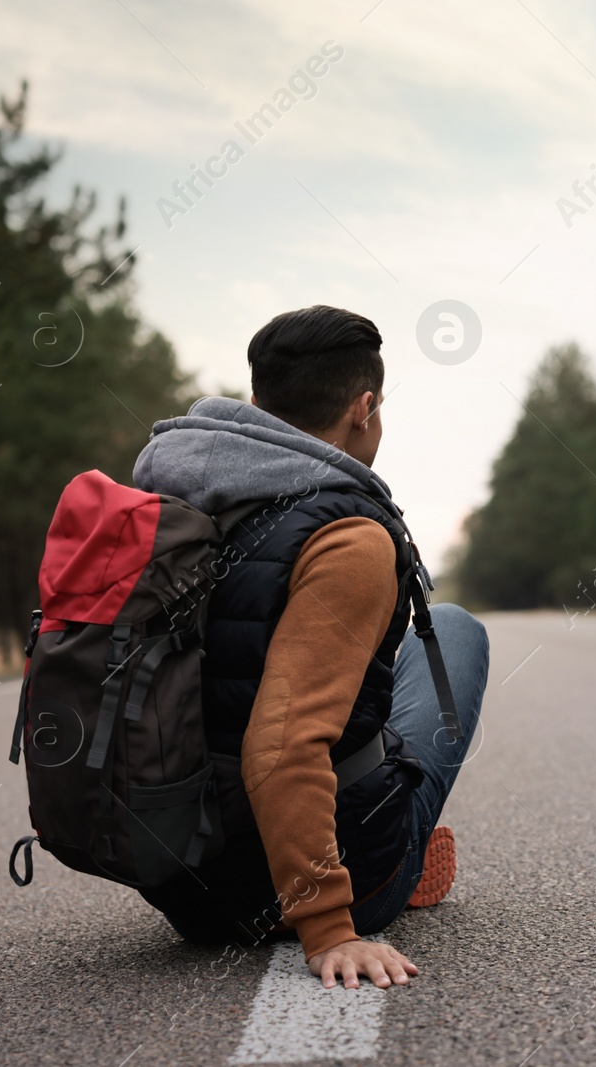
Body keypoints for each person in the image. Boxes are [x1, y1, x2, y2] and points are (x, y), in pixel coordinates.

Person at [130, 305, 489, 989]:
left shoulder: (172, 496)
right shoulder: (349, 538)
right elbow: (282, 741)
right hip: (290, 894)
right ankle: (394, 861)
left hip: (182, 877)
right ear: (364, 408)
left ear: (260, 401)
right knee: (458, 629)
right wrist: (330, 928)